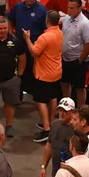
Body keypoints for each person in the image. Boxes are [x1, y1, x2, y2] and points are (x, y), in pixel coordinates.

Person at [24, 10, 64, 143]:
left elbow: (34, 52)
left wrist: (27, 39)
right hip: (56, 72)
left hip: (44, 74)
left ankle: (46, 129)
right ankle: (51, 123)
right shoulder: (60, 33)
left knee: (40, 100)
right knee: (53, 97)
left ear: (47, 21)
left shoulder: (45, 37)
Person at [0, 17, 24, 138]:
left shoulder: (15, 40)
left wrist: (20, 74)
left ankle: (9, 126)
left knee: (10, 104)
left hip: (11, 79)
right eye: (0, 28)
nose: (2, 31)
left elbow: (22, 56)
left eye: (5, 28)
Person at [8, 0, 48, 96]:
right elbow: (10, 20)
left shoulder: (42, 10)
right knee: (19, 70)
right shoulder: (17, 7)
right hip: (20, 46)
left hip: (35, 47)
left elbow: (45, 29)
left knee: (34, 70)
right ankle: (19, 94)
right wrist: (11, 34)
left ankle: (35, 94)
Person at [59, 0, 89, 109]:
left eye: (72, 8)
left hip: (78, 61)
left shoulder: (85, 24)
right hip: (65, 59)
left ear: (80, 8)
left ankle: (81, 111)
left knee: (79, 87)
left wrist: (79, 60)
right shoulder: (66, 19)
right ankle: (66, 108)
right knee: (65, 83)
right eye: (68, 7)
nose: (69, 10)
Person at [40, 99, 78, 177]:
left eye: (65, 111)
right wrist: (43, 167)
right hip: (56, 174)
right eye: (60, 110)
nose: (61, 113)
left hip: (72, 176)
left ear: (72, 112)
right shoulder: (54, 124)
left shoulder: (76, 130)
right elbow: (49, 145)